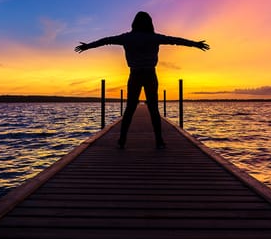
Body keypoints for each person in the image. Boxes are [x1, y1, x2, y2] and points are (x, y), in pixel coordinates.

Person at [75, 11, 209, 149]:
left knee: (130, 108)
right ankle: (159, 140)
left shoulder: (127, 37)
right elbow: (175, 40)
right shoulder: (154, 37)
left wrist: (87, 46)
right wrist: (196, 44)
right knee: (153, 108)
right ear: (150, 23)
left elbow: (106, 41)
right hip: (150, 74)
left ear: (134, 23)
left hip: (135, 74)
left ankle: (122, 139)